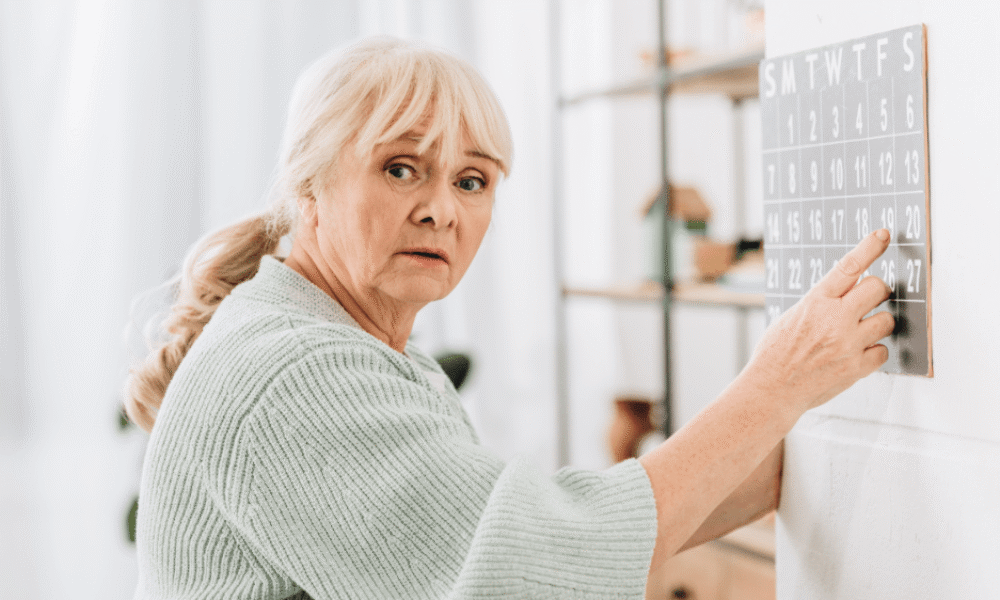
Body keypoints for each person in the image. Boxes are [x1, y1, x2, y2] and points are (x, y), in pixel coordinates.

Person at [124, 37, 895, 599]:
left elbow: (536, 544)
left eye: (472, 181)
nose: (440, 210)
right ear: (308, 189)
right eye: (401, 168)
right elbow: (521, 576)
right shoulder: (298, 374)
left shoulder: (343, 344)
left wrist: (804, 451)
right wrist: (776, 383)